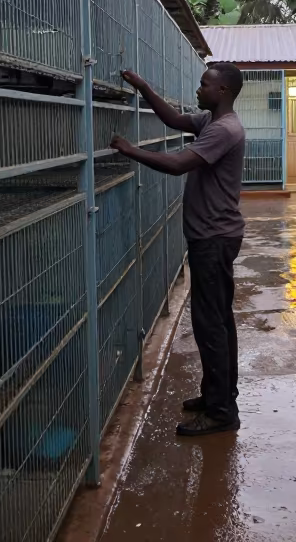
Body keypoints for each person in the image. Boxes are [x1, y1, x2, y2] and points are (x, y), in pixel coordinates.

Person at [110, 63, 247, 437]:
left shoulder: (224, 130)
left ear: (222, 91)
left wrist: (129, 150)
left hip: (213, 239)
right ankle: (218, 395)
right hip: (214, 236)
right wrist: (142, 86)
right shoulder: (210, 121)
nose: (198, 88)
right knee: (218, 321)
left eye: (205, 84)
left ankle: (221, 413)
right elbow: (172, 120)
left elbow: (176, 165)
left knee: (210, 326)